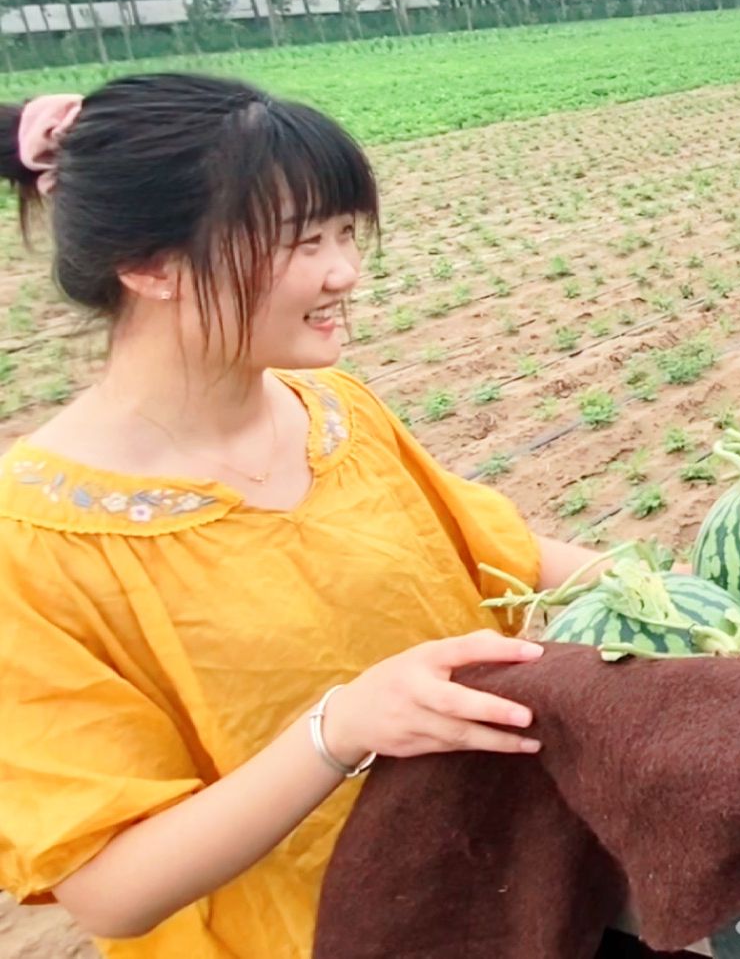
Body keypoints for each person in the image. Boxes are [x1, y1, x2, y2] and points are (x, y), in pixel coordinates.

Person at [0, 76, 603, 958]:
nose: (344, 273)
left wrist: (695, 598)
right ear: (150, 265)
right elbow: (112, 891)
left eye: (345, 232)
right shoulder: (37, 543)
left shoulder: (337, 413)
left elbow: (494, 552)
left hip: (516, 897)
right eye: (300, 242)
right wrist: (340, 730)